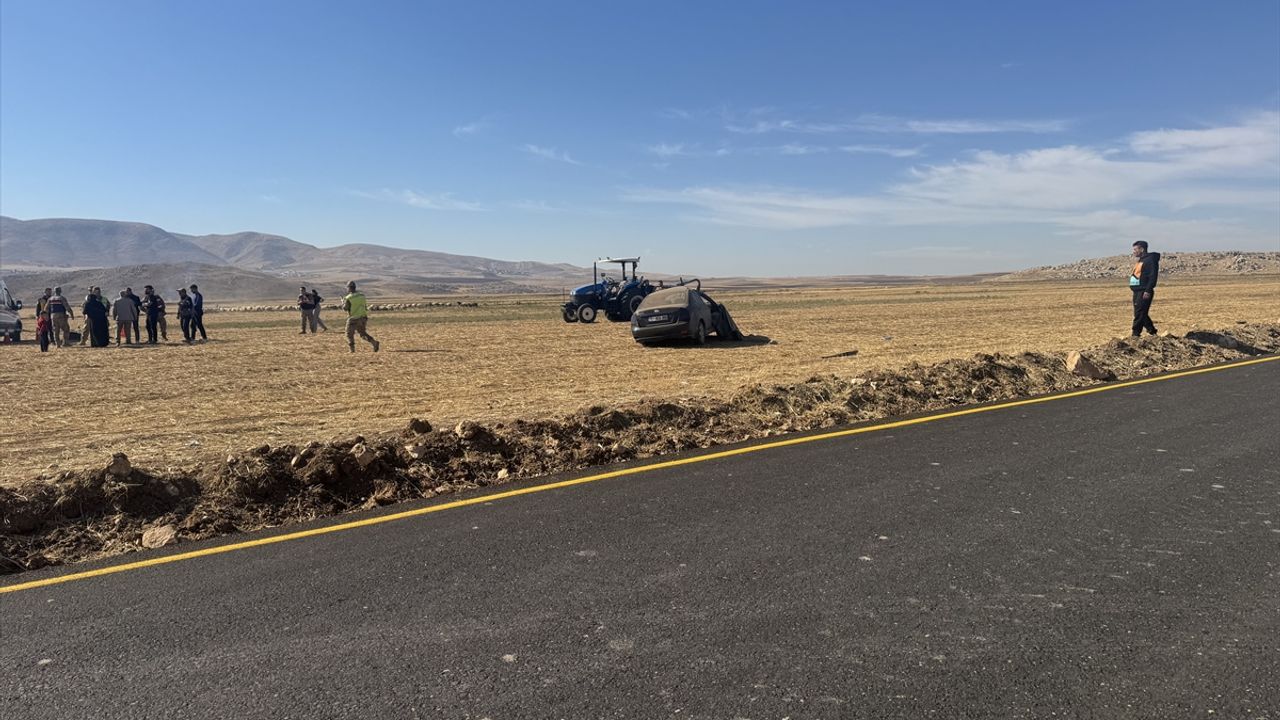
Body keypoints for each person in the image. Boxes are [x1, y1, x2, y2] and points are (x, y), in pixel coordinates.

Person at [1129, 241, 1161, 337]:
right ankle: (1152, 331)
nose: (1134, 252)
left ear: (1142, 249)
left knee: (1139, 312)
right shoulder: (1141, 260)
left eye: (1135, 249)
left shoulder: (1150, 260)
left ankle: (1135, 334)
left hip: (1144, 291)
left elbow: (1153, 276)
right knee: (1140, 312)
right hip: (1137, 291)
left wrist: (1148, 290)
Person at [341, 281, 380, 353]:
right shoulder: (361, 295)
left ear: (349, 288)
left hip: (353, 318)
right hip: (363, 317)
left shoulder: (348, 298)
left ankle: (352, 350)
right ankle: (374, 342)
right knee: (362, 333)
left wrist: (343, 302)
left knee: (349, 333)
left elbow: (345, 308)